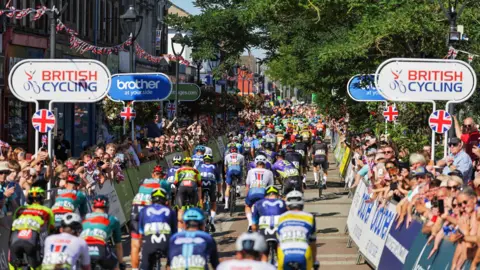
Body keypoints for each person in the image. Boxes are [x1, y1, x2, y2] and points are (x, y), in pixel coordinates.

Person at [130, 165, 167, 270]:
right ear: (162, 176)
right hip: (148, 208)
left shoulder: (143, 182)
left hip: (136, 207)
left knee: (135, 245)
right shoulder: (163, 183)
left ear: (152, 174)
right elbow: (166, 203)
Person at [9, 187, 55, 270]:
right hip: (32, 240)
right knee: (37, 266)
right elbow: (50, 230)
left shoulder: (20, 209)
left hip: (15, 239)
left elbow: (13, 226)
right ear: (42, 198)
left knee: (14, 264)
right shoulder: (48, 210)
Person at [80, 195, 124, 270]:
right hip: (99, 247)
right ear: (108, 207)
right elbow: (118, 246)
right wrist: (121, 263)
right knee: (115, 266)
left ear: (93, 208)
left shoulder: (83, 218)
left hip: (83, 248)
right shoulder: (113, 219)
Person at [277, 191, 318, 270]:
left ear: (287, 205)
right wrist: (314, 261)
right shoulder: (310, 217)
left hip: (284, 253)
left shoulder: (281, 217)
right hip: (303, 252)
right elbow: (313, 243)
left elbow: (278, 243)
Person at [138, 188, 177, 270]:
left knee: (144, 265)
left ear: (151, 200)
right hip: (165, 243)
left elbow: (140, 234)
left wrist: (140, 250)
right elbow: (174, 234)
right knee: (173, 263)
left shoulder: (143, 211)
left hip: (150, 243)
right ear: (165, 200)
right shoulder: (171, 211)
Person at [245, 155, 275, 231]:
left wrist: (247, 197)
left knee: (247, 206)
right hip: (263, 192)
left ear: (256, 163)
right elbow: (271, 187)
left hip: (252, 191)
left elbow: (247, 186)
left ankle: (250, 223)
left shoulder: (250, 171)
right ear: (265, 163)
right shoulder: (269, 172)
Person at [174, 157, 202, 230]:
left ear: (183, 164)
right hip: (192, 188)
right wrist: (199, 200)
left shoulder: (178, 171)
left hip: (182, 188)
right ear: (191, 164)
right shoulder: (196, 171)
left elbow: (175, 183)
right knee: (195, 208)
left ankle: (180, 231)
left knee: (180, 210)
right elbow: (199, 184)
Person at [198, 154, 221, 232]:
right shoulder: (215, 167)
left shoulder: (199, 167)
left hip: (202, 184)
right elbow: (219, 181)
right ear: (211, 161)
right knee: (213, 202)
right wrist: (219, 192)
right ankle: (212, 220)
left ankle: (202, 215)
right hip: (211, 185)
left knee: (200, 199)